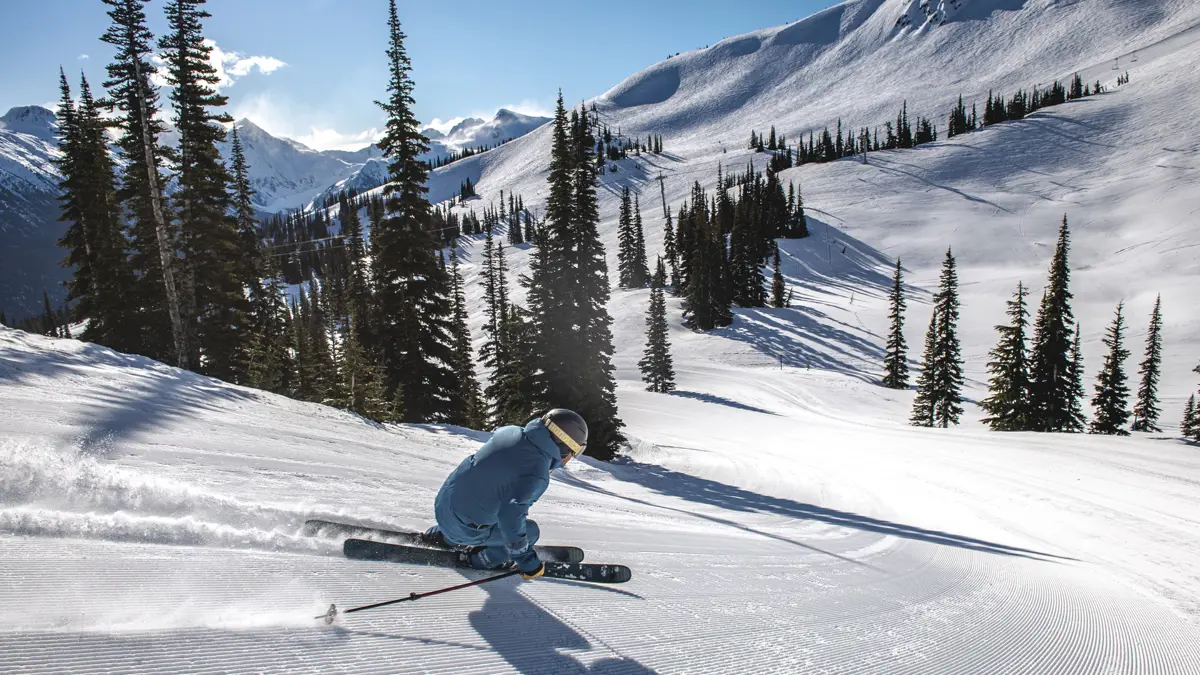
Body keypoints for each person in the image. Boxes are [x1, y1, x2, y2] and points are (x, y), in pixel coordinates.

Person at [422, 409, 587, 579]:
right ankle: (481, 559)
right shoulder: (537, 472)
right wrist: (527, 562)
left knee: (486, 498)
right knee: (531, 532)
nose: (570, 458)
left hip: (444, 506)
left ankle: (443, 537)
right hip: (467, 530)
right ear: (565, 446)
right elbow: (510, 518)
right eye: (575, 452)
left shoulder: (510, 432)